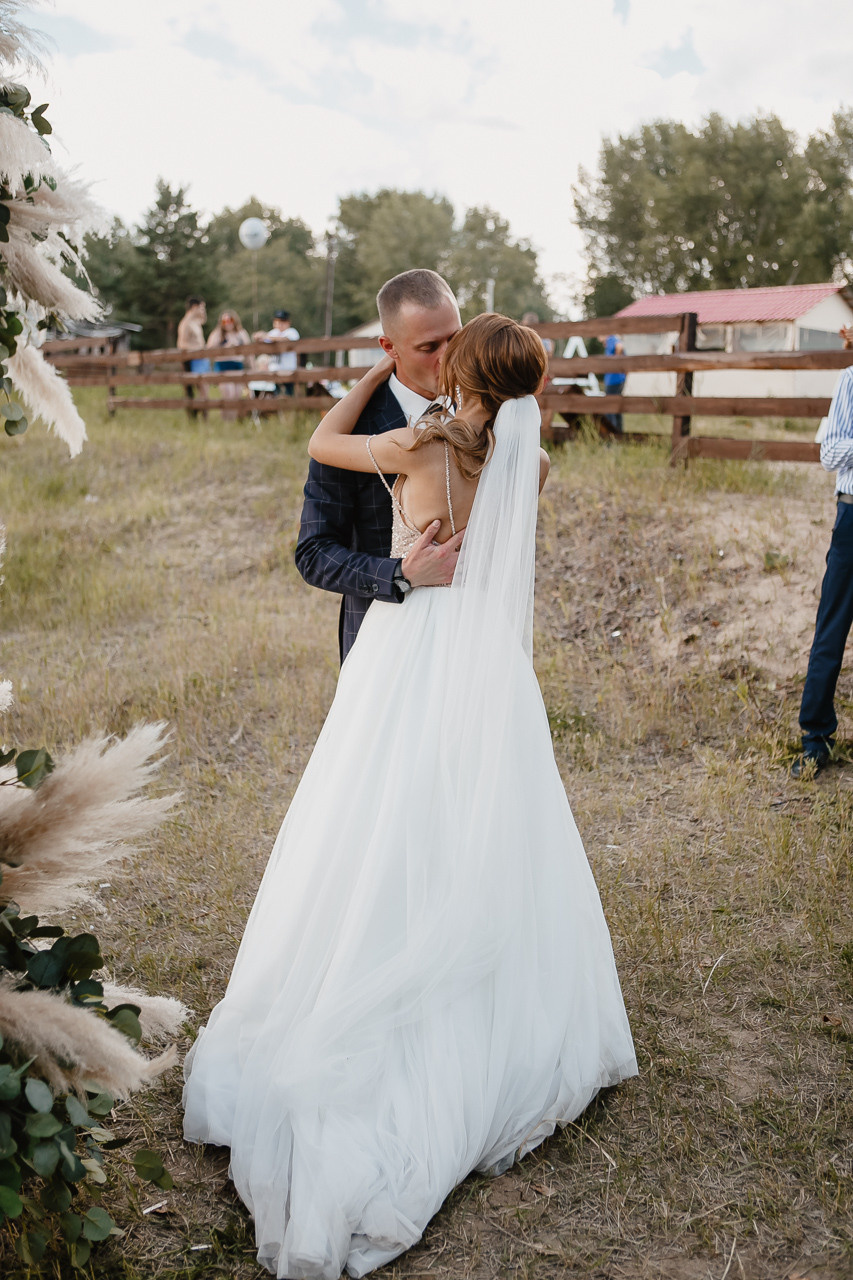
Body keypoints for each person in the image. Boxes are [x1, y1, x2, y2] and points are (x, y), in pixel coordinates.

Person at [183, 313, 638, 1280]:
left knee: (379, 815)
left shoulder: (420, 443)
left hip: (410, 651)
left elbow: (319, 443)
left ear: (457, 374)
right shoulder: (530, 464)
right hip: (487, 665)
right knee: (485, 822)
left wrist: (367, 376)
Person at [295, 269, 465, 663]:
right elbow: (314, 554)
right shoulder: (349, 430)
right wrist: (401, 572)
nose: (448, 356)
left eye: (455, 338)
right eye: (428, 347)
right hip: (382, 638)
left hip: (469, 634)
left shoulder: (484, 411)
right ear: (390, 347)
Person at [791, 326, 853, 778]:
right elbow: (830, 452)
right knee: (832, 629)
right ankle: (816, 738)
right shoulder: (850, 380)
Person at [207, 309, 250, 417]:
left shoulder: (241, 333)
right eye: (224, 321)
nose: (228, 323)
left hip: (237, 365)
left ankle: (234, 421)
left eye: (230, 320)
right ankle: (227, 420)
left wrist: (251, 367)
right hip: (223, 365)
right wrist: (224, 347)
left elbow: (249, 352)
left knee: (237, 394)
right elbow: (208, 350)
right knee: (228, 394)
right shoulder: (217, 334)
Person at [176, 296, 209, 416]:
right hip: (191, 360)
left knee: (204, 389)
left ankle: (203, 414)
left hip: (200, 358)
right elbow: (182, 344)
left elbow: (204, 319)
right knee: (195, 390)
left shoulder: (196, 322)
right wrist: (199, 350)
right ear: (194, 307)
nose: (203, 311)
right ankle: (195, 414)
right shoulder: (185, 324)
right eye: (201, 308)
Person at [602, 332, 626, 435]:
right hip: (616, 379)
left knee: (610, 408)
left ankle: (612, 434)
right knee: (616, 407)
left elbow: (619, 346)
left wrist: (615, 361)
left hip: (614, 379)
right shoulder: (609, 341)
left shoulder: (610, 339)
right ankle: (618, 433)